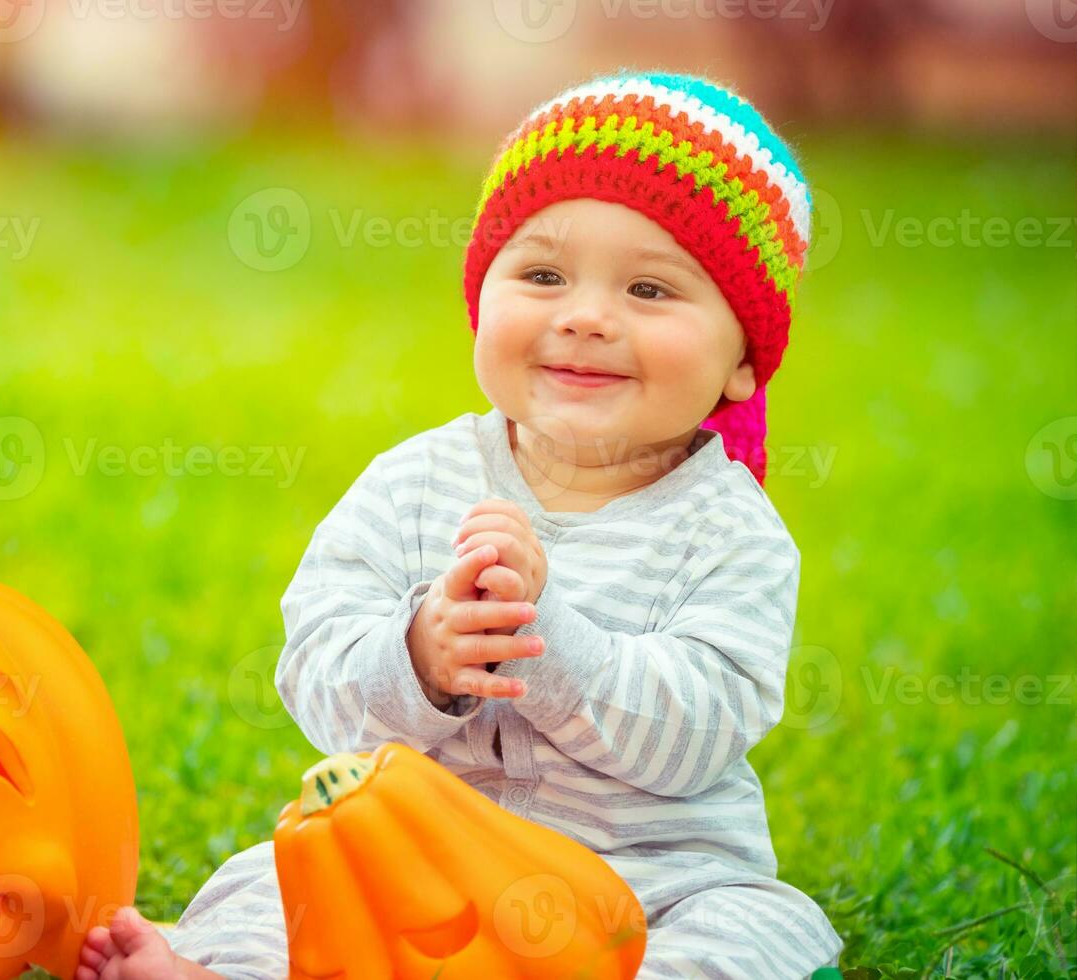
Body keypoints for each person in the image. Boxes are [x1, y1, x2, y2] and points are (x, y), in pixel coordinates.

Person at [78, 69, 843, 979]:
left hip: (647, 882)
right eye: (545, 275)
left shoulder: (730, 530)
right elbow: (316, 675)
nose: (587, 317)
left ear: (742, 363)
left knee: (762, 927)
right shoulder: (413, 483)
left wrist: (548, 641)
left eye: (649, 291)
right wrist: (418, 655)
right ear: (484, 302)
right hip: (411, 867)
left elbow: (697, 736)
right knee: (269, 884)